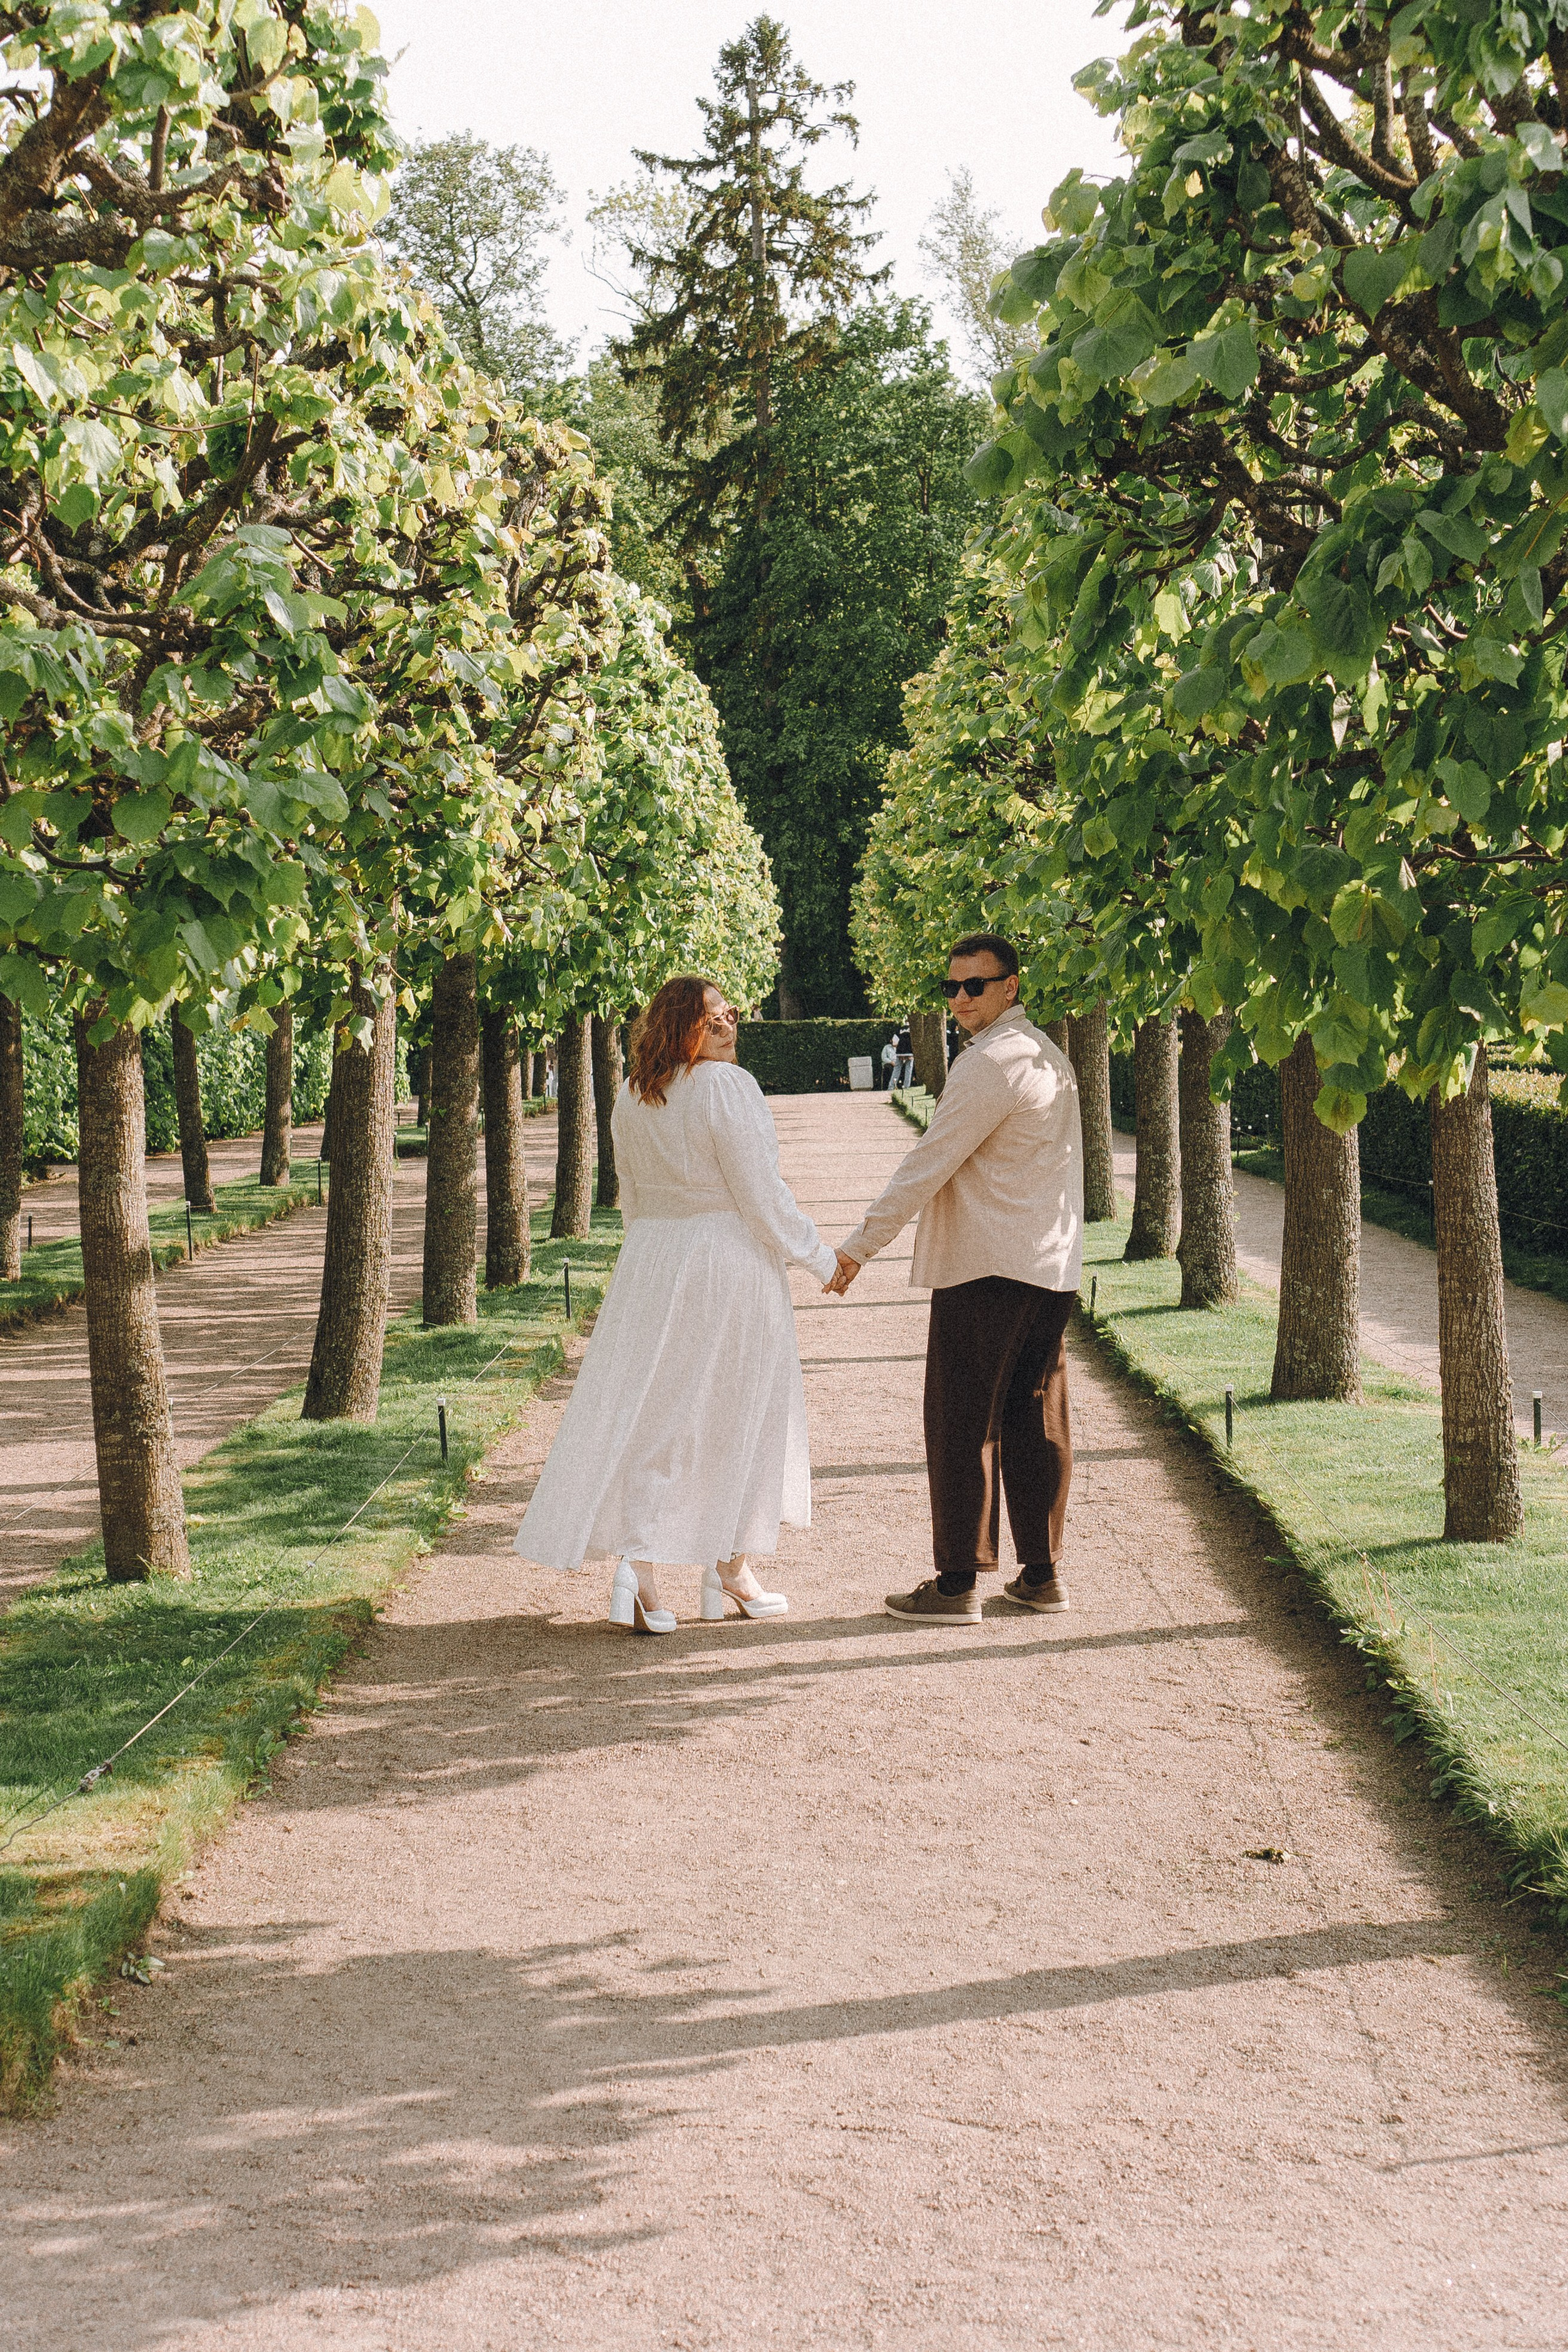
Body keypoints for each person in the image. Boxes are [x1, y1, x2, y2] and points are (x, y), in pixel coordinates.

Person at [515, 973, 840, 1631]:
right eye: (713, 1018)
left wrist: (649, 1262)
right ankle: (720, 1567)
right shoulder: (726, 1087)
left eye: (732, 1015)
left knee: (658, 1413)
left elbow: (633, 1198)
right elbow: (760, 1194)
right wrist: (822, 1259)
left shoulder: (635, 1096)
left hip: (655, 1264)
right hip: (727, 1263)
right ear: (679, 1027)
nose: (729, 1026)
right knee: (734, 1410)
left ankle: (655, 1571)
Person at [827, 933, 1082, 1624]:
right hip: (1048, 1267)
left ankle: (956, 1583)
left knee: (961, 1419)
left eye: (976, 985)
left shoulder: (990, 1065)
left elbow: (927, 1164)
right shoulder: (1048, 1058)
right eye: (952, 987)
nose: (961, 999)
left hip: (988, 1267)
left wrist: (858, 1248)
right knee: (1035, 1417)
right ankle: (1040, 1574)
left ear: (1011, 987)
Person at [892, 1025, 914, 1090]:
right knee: (908, 1070)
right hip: (910, 1053)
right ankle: (906, 1086)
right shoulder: (914, 1028)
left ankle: (892, 1086)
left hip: (900, 1053)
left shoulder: (899, 1029)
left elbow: (894, 1042)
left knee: (896, 1070)